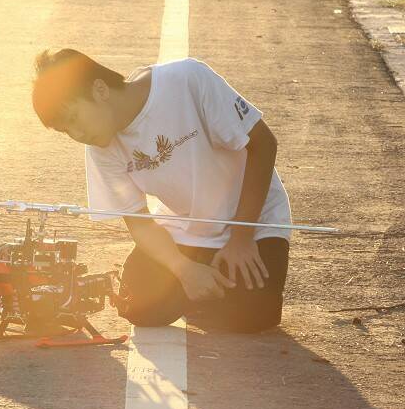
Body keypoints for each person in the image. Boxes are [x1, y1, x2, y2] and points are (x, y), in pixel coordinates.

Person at [31, 48, 292, 333]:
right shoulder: (100, 148)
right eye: (66, 131)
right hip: (185, 228)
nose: (78, 135)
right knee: (137, 306)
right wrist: (184, 269)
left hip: (251, 221)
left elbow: (264, 144)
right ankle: (201, 287)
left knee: (252, 316)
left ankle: (205, 293)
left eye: (74, 119)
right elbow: (139, 222)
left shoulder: (188, 79)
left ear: (100, 89)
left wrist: (241, 238)